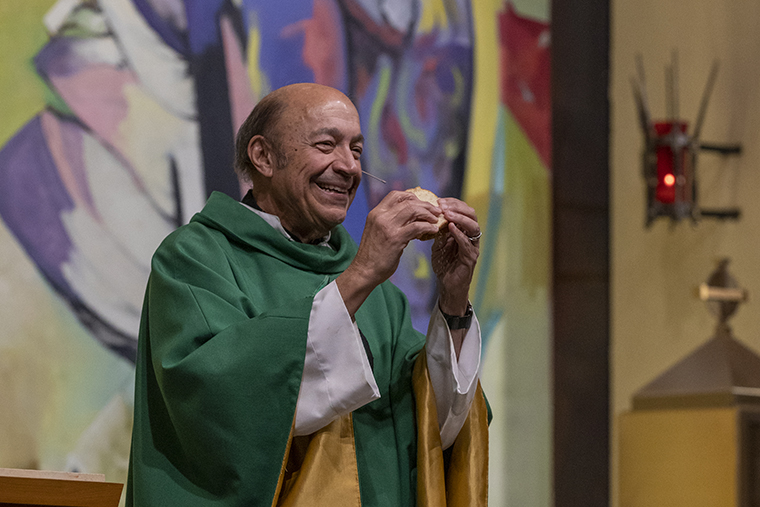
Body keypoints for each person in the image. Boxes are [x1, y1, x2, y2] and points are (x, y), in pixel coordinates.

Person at [126, 83, 488, 506]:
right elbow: (214, 405)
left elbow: (433, 425)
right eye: (326, 144)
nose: (348, 166)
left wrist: (453, 300)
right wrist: (361, 275)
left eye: (356, 149)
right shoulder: (197, 259)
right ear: (263, 157)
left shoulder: (381, 297)